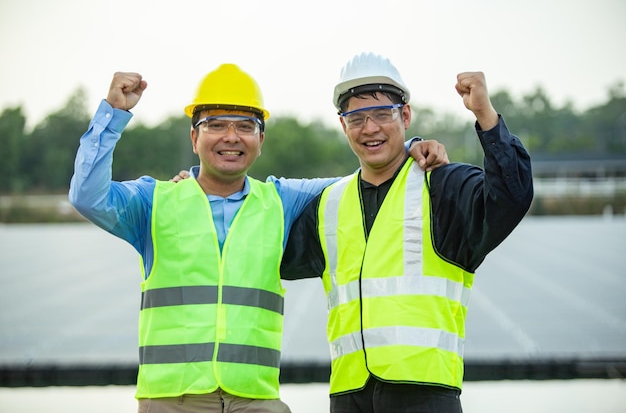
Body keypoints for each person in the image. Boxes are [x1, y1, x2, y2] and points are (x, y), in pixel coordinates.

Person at [68, 63, 449, 413]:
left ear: (261, 139)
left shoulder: (281, 201)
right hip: (172, 400)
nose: (231, 137)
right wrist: (112, 115)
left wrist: (411, 147)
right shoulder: (154, 202)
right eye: (217, 124)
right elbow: (87, 196)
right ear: (194, 136)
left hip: (256, 399)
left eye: (245, 126)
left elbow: (370, 175)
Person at [280, 52, 534, 412]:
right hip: (349, 396)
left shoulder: (442, 188)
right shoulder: (328, 205)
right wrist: (199, 189)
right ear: (343, 125)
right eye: (356, 118)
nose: (370, 128)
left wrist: (485, 116)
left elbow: (512, 196)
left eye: (383, 114)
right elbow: (264, 250)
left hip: (426, 394)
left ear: (406, 115)